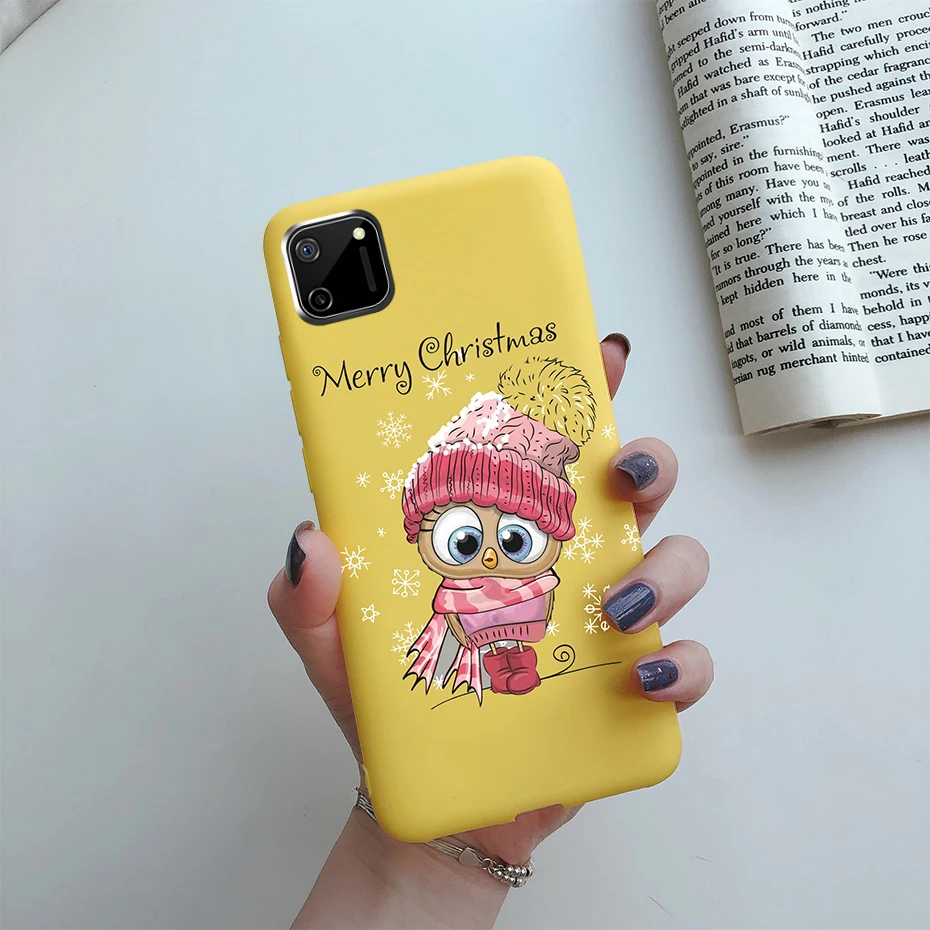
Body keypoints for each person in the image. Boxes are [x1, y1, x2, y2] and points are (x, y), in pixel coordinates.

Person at [267, 335, 713, 929]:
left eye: (516, 539)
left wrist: (449, 864)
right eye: (461, 538)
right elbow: (444, 636)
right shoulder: (449, 601)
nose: (490, 557)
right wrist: (432, 856)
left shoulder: (540, 588)